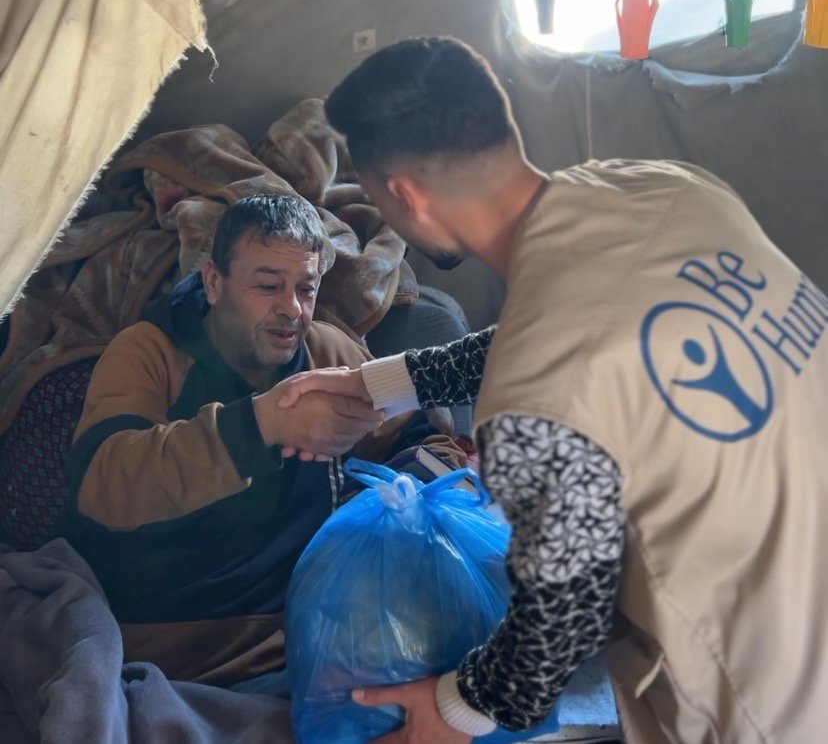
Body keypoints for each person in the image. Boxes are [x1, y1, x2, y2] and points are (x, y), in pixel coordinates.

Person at [282, 37, 828, 743]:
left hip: (769, 691)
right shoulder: (667, 187)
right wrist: (379, 382)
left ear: (407, 198)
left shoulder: (531, 402)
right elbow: (570, 328)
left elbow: (563, 615)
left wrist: (454, 709)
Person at [64, 193, 463, 689]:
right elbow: (102, 484)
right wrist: (259, 426)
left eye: (306, 289)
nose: (291, 309)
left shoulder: (326, 350)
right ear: (213, 281)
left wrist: (425, 497)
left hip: (313, 630)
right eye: (268, 286)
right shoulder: (149, 351)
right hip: (176, 646)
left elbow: (422, 442)